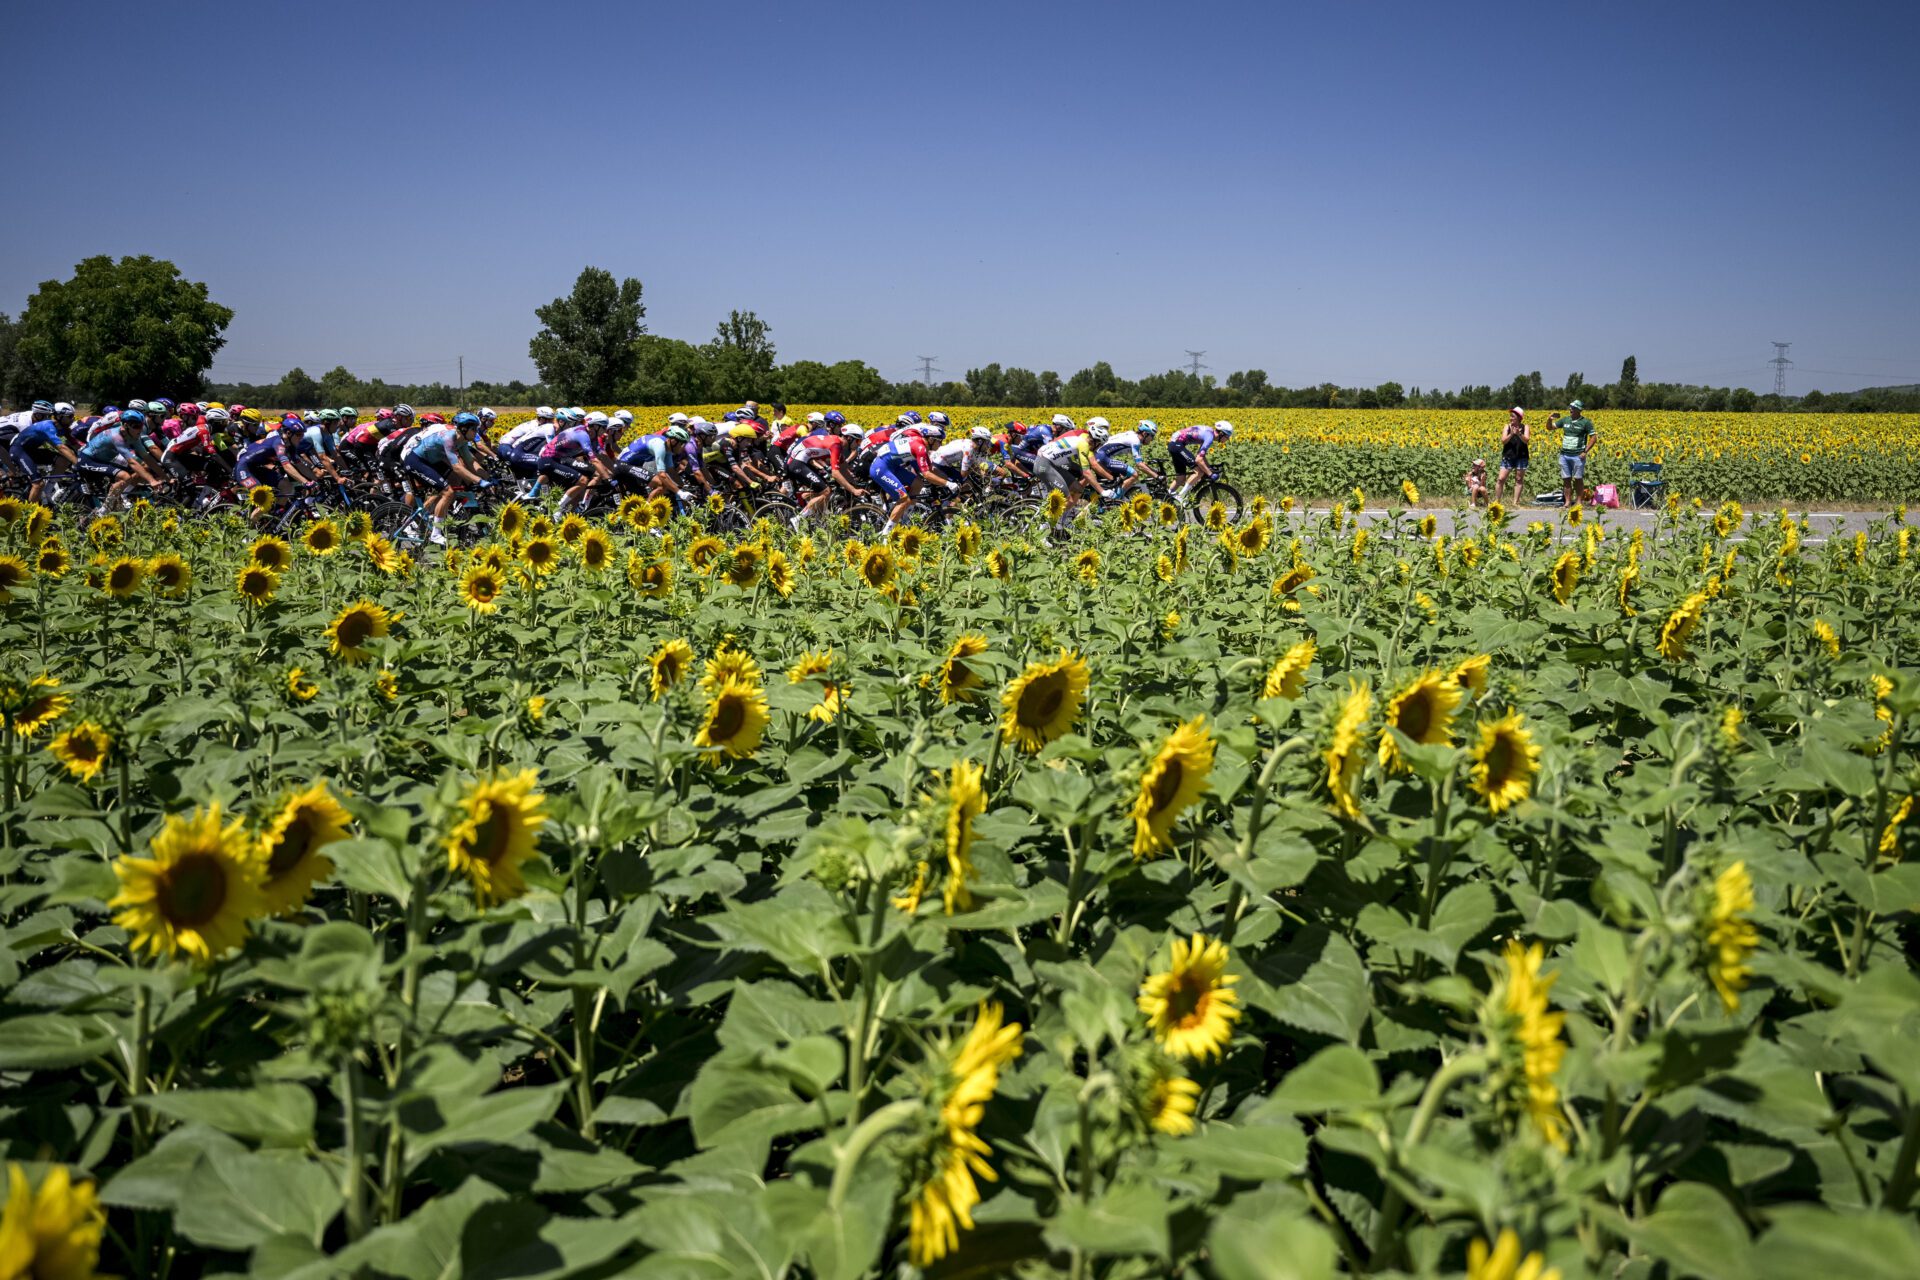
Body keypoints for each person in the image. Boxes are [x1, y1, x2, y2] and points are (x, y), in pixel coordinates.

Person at [1550, 400, 1597, 507]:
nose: (1570, 409)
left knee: (1578, 479)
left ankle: (1579, 501)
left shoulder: (1585, 422)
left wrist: (1585, 451)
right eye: (1570, 407)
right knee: (1566, 479)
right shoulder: (1565, 420)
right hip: (1564, 455)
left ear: (1579, 410)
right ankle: (1567, 502)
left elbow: (1593, 437)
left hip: (1578, 455)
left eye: (1573, 408)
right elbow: (1550, 427)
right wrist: (1549, 419)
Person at [1495, 407, 1529, 506]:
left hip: (1521, 456)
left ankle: (1515, 502)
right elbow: (1503, 441)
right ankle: (1497, 502)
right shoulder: (1507, 426)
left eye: (1513, 416)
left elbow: (1526, 440)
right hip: (1508, 456)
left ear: (1519, 417)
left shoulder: (1525, 427)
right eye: (1510, 416)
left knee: (1519, 479)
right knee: (1501, 479)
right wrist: (1511, 434)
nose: (1510, 418)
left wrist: (1519, 434)